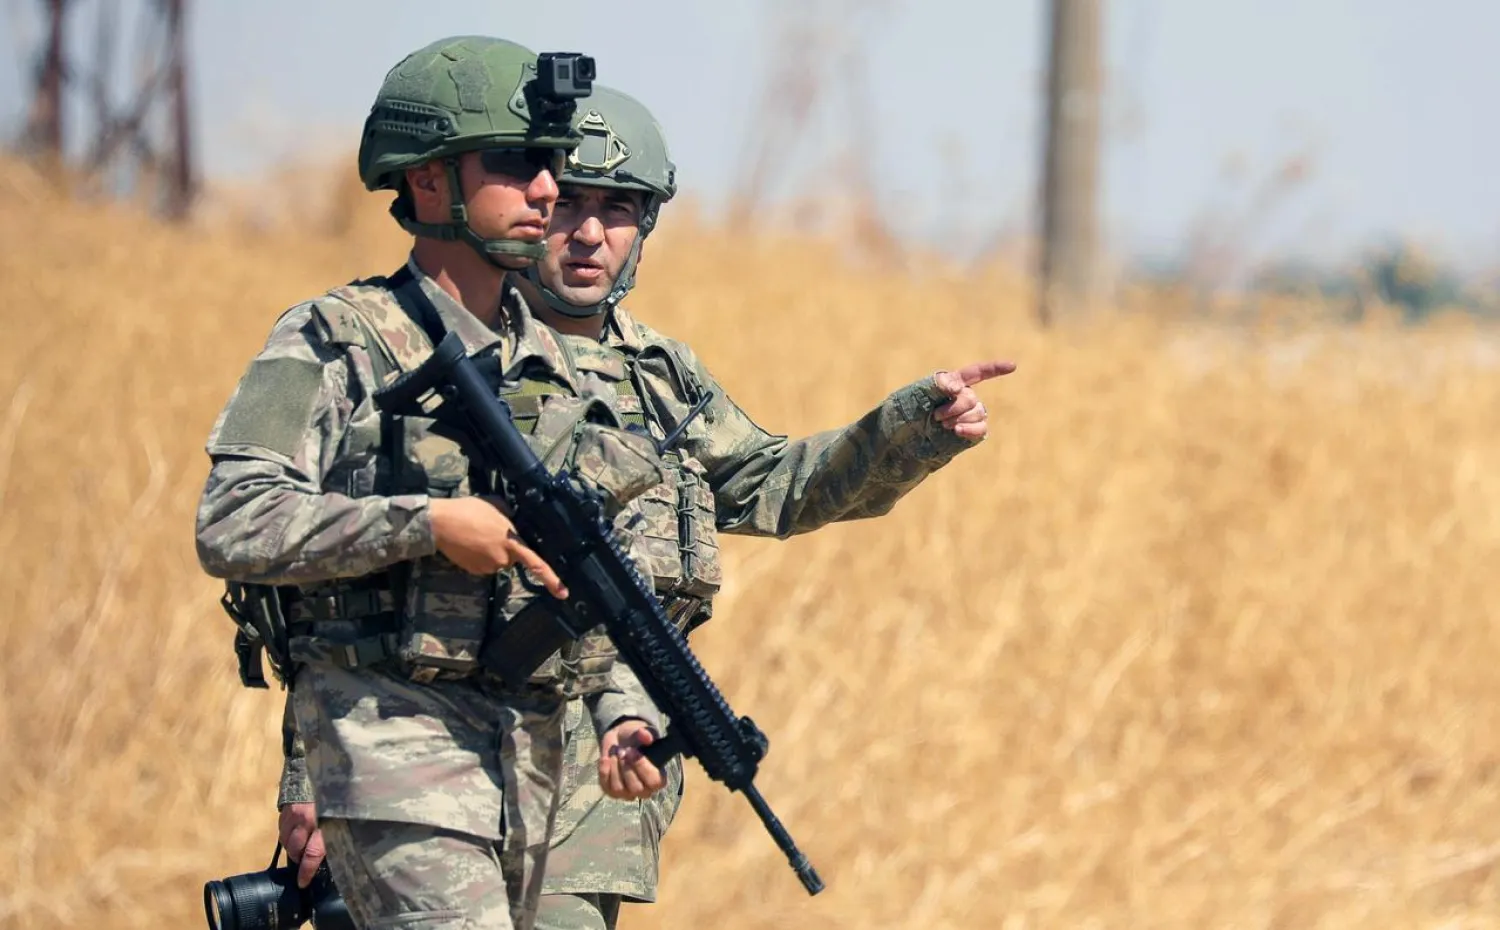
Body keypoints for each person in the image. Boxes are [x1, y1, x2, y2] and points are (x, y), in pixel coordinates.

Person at [271, 81, 1012, 930]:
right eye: (572, 204)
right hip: (434, 762)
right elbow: (333, 601)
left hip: (605, 776)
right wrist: (309, 775)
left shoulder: (661, 378)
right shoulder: (427, 352)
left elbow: (776, 483)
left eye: (620, 209)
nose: (590, 234)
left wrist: (911, 426)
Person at [196, 37, 671, 930]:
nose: (545, 191)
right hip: (391, 750)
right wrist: (427, 524)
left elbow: (594, 593)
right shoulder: (338, 337)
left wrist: (623, 714)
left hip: (532, 774)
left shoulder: (557, 367)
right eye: (517, 163)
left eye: (551, 166)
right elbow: (231, 519)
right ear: (427, 183)